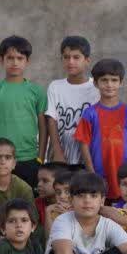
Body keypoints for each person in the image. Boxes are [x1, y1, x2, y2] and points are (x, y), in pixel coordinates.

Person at [0, 35, 47, 188]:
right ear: (2, 60)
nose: (15, 62)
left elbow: (43, 126)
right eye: (10, 58)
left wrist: (40, 157)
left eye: (20, 58)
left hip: (28, 158)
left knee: (27, 206)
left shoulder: (37, 91)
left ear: (27, 61)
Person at [73, 59, 127, 203]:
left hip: (124, 176)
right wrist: (92, 173)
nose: (109, 85)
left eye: (114, 80)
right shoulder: (90, 113)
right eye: (104, 80)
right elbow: (83, 143)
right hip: (99, 174)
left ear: (121, 83)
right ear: (96, 83)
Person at [45, 36, 98, 168]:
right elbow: (51, 119)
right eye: (66, 57)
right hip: (61, 154)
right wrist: (57, 152)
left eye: (76, 57)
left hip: (87, 155)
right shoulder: (55, 87)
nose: (71, 62)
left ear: (87, 60)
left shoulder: (96, 88)